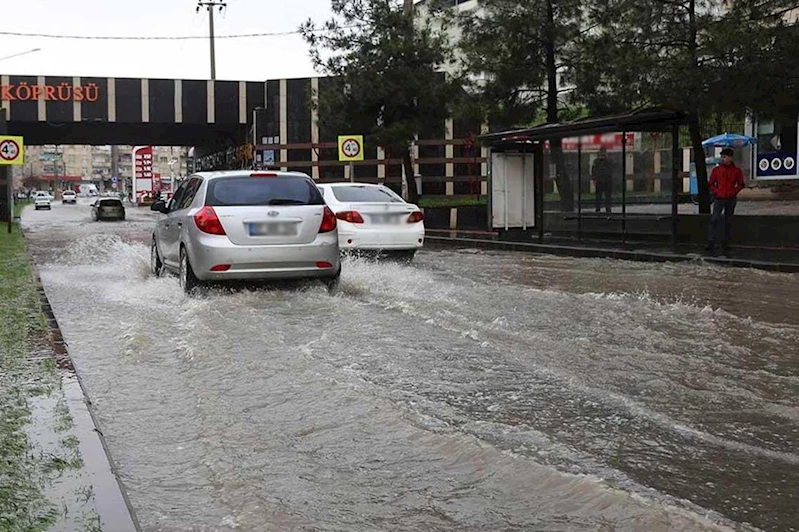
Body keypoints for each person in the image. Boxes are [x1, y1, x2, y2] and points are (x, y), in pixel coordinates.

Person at [706, 147, 745, 257]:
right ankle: (711, 241)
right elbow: (711, 184)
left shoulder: (736, 171)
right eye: (722, 157)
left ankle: (726, 243)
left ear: (730, 158)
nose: (723, 159)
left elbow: (741, 184)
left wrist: (734, 192)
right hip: (719, 198)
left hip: (731, 198)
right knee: (715, 219)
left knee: (728, 221)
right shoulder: (717, 170)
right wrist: (716, 192)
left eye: (725, 157)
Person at [592, 147, 614, 214]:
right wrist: (594, 179)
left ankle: (607, 209)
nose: (602, 156)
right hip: (601, 181)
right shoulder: (597, 161)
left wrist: (594, 178)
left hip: (607, 180)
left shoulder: (608, 161)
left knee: (607, 196)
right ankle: (598, 209)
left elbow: (611, 170)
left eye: (603, 154)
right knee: (599, 196)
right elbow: (593, 171)